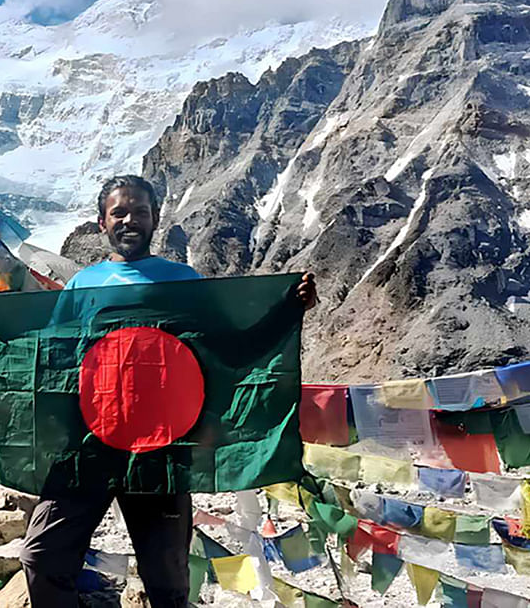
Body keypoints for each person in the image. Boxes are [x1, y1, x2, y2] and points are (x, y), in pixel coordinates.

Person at [18, 174, 318, 608]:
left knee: (166, 581)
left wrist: (289, 308)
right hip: (88, 446)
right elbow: (54, 358)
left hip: (161, 449)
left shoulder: (183, 281)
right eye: (119, 212)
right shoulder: (84, 285)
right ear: (101, 222)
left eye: (140, 211)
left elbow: (231, 346)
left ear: (155, 218)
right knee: (42, 556)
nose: (129, 220)